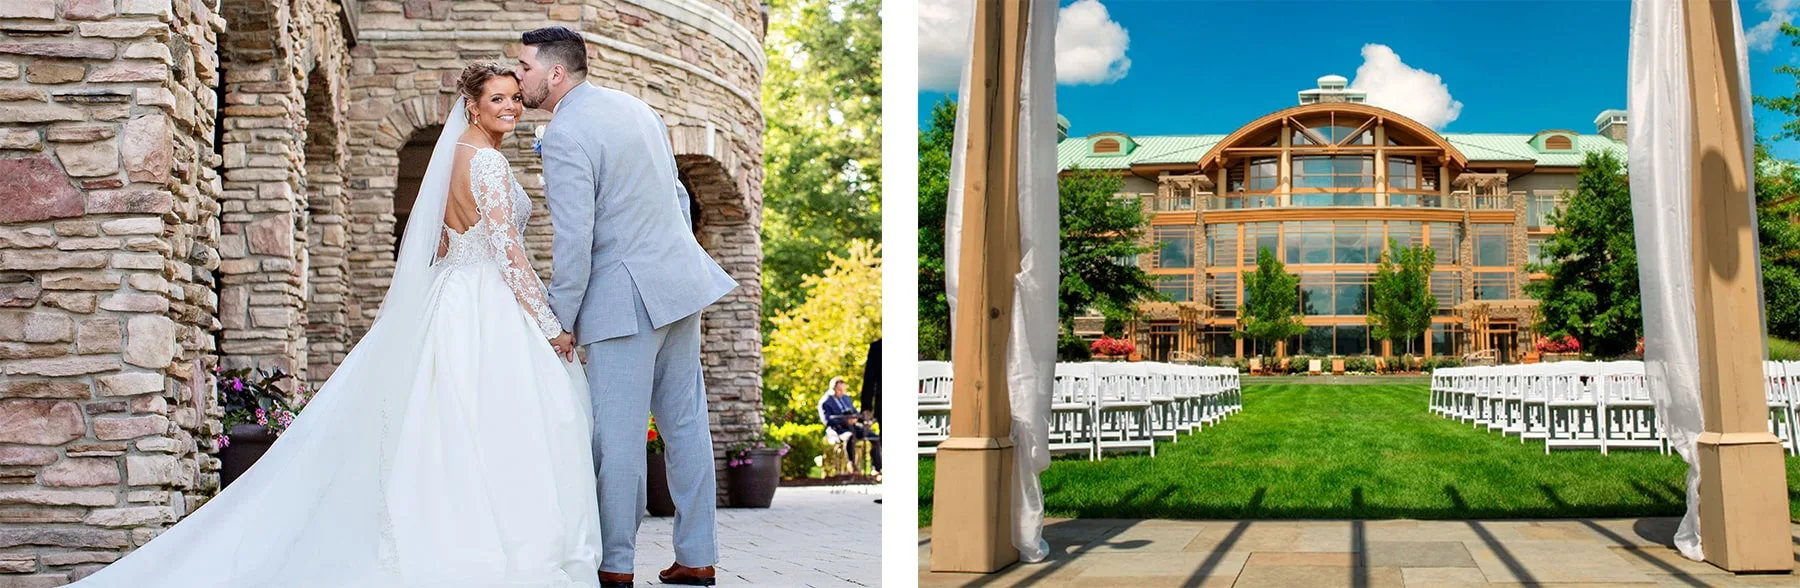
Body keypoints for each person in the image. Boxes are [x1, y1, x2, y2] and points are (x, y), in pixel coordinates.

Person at [70, 62, 603, 587]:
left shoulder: (453, 158)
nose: (511, 107)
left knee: (446, 417)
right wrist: (549, 322)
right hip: (486, 299)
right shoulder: (487, 162)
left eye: (515, 98)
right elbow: (509, 253)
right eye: (497, 99)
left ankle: (437, 523)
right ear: (472, 106)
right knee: (501, 418)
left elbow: (443, 243)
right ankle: (489, 536)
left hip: (451, 296)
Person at [518, 26, 738, 588]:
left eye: (524, 67)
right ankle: (697, 556)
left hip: (622, 299)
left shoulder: (565, 134)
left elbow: (575, 239)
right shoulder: (638, 110)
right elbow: (677, 196)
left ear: (556, 73)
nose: (519, 78)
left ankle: (614, 564)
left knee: (616, 440)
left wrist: (558, 319)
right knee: (685, 425)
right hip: (679, 284)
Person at [820, 377, 881, 474]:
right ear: (833, 389)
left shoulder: (846, 398)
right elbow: (827, 421)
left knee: (875, 437)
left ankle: (877, 469)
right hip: (838, 429)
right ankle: (852, 465)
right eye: (839, 390)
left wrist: (864, 421)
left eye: (843, 390)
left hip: (853, 427)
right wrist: (845, 421)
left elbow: (855, 413)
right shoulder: (825, 402)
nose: (842, 392)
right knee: (849, 436)